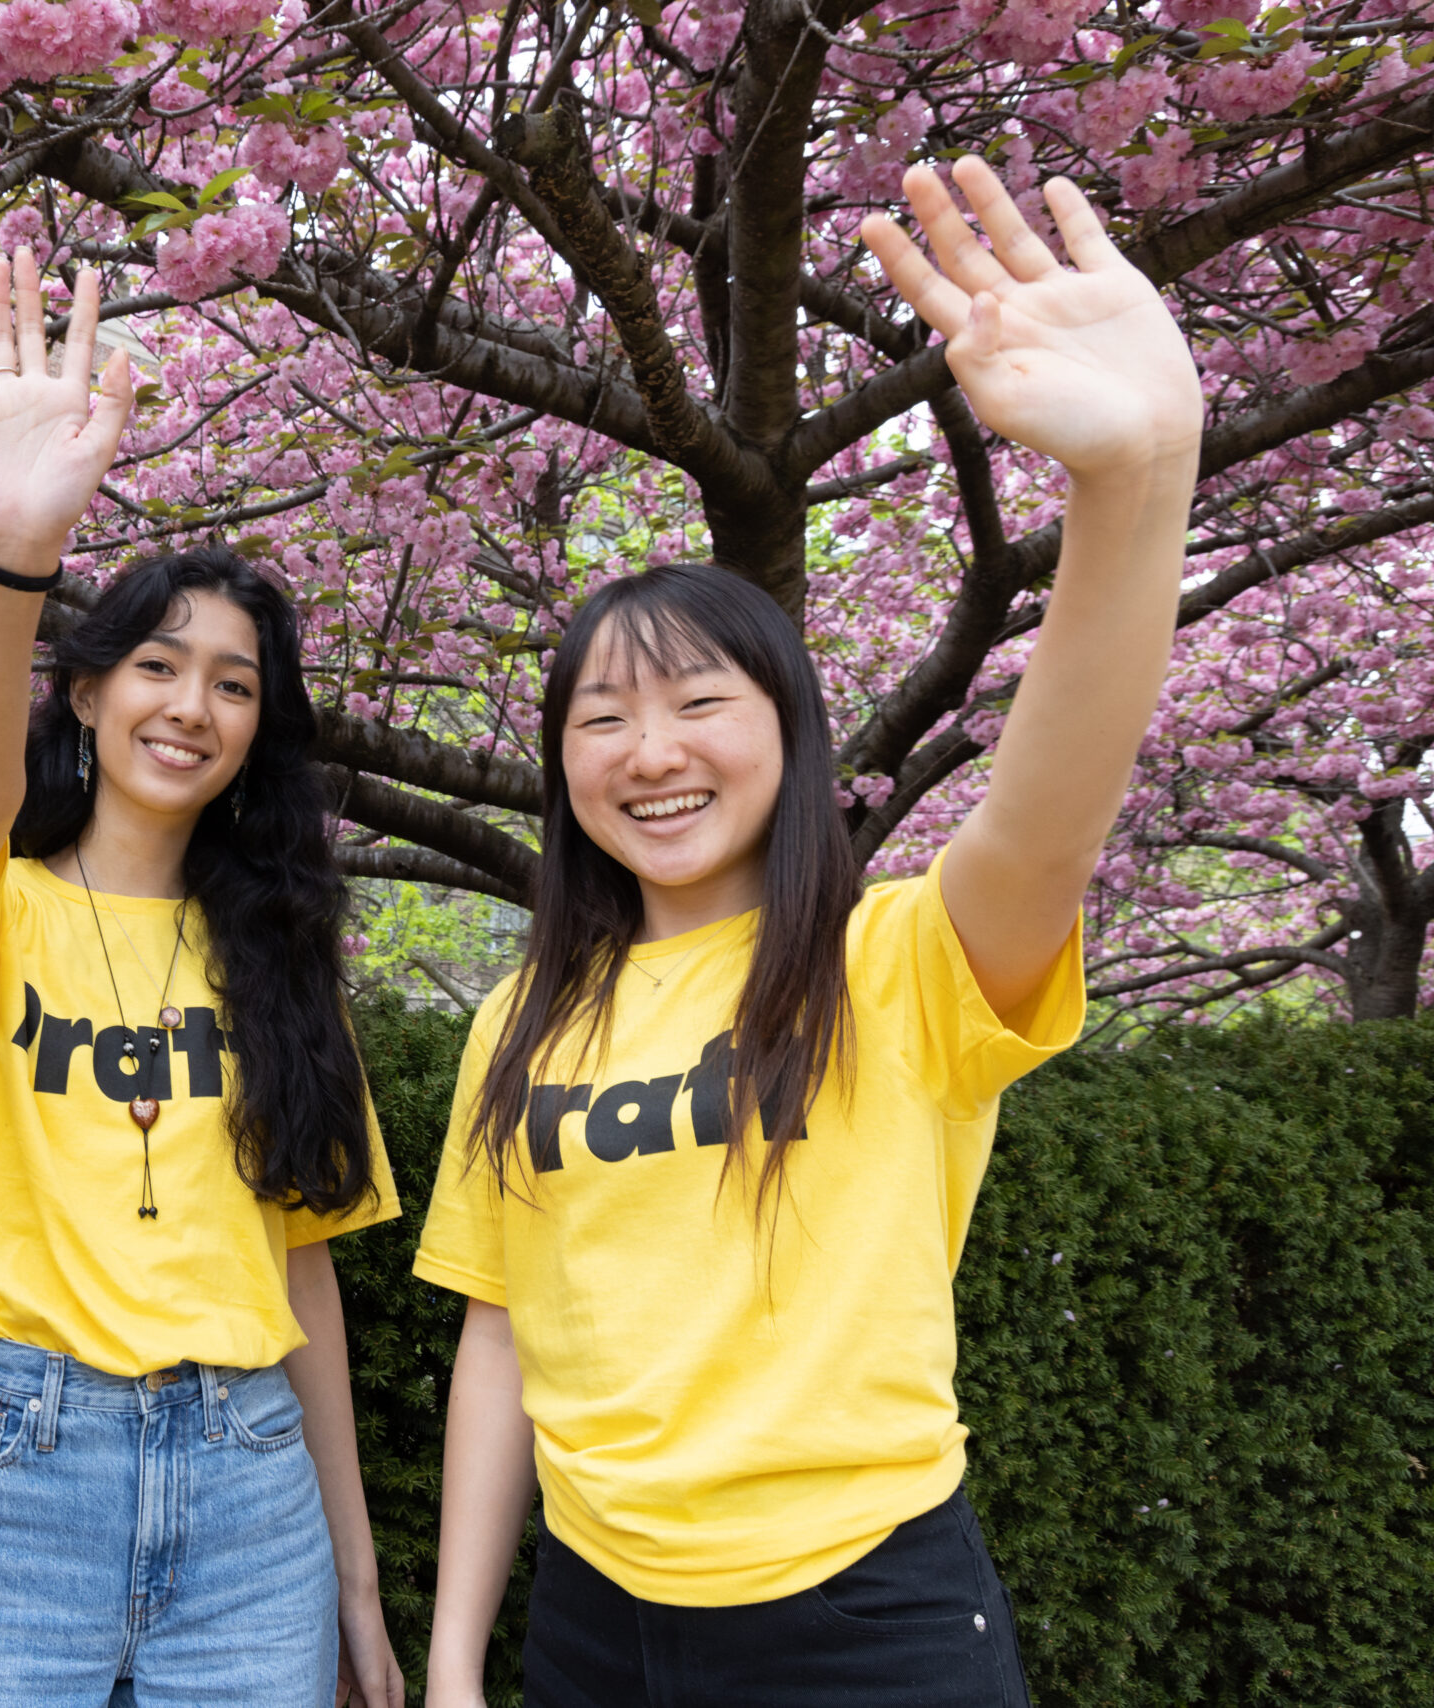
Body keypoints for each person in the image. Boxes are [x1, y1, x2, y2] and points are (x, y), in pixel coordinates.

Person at [415, 158, 1203, 1708]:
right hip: (593, 1624)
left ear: (789, 736)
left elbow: (1049, 812)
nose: (653, 752)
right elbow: (502, 1343)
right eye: (604, 716)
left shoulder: (898, 963)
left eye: (702, 702)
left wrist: (1134, 481)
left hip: (864, 1623)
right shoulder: (523, 1023)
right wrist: (454, 1659)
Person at [0, 248, 408, 1708]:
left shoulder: (286, 962)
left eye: (235, 683)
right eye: (161, 667)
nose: (194, 706)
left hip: (251, 1494)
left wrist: (355, 1579)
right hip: (11, 1473)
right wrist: (12, 554)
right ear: (90, 689)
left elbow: (305, 1276)